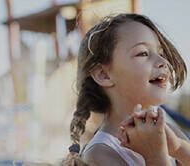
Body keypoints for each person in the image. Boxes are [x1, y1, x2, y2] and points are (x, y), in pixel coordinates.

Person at [63, 13, 190, 166]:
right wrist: (155, 156)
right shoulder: (100, 154)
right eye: (143, 53)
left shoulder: (168, 132)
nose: (163, 62)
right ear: (103, 75)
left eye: (161, 53)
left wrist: (179, 148)